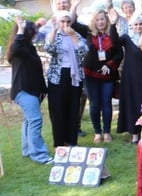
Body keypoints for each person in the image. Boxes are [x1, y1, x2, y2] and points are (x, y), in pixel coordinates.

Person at [7, 15, 52, 164]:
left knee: (28, 121)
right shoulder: (19, 48)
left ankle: (27, 150)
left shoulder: (28, 47)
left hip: (33, 90)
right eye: (33, 31)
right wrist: (20, 29)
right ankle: (40, 155)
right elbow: (17, 47)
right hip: (24, 90)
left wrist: (39, 24)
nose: (36, 33)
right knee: (35, 120)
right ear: (26, 33)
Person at [77, 9, 122, 144]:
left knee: (106, 103)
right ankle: (97, 132)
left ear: (106, 20)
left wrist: (109, 65)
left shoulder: (112, 33)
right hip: (90, 75)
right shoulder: (88, 33)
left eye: (102, 19)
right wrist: (74, 7)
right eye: (97, 19)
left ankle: (107, 132)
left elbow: (119, 54)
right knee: (95, 104)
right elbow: (73, 24)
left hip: (107, 76)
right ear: (94, 21)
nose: (100, 22)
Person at [44, 11, 88, 147]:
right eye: (62, 21)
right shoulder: (54, 35)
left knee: (73, 108)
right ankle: (59, 143)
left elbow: (83, 52)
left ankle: (71, 141)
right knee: (57, 110)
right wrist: (53, 29)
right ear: (58, 22)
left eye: (68, 22)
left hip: (74, 76)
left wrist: (73, 35)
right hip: (57, 77)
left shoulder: (77, 35)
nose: (65, 24)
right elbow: (49, 49)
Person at [112, 12, 142, 144]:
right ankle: (134, 133)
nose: (139, 26)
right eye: (136, 24)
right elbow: (114, 42)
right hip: (130, 77)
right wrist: (112, 24)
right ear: (132, 25)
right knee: (132, 104)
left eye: (141, 24)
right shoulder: (127, 38)